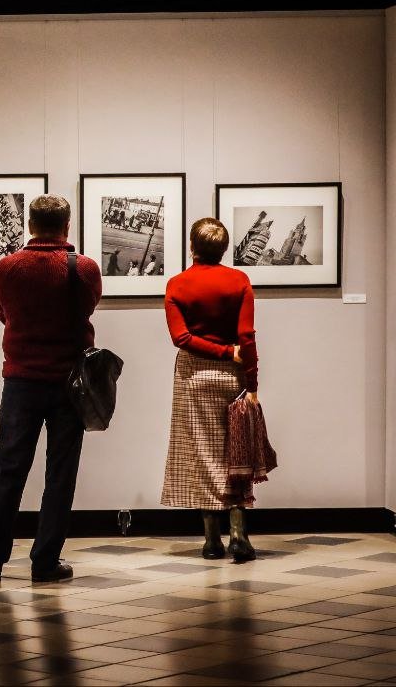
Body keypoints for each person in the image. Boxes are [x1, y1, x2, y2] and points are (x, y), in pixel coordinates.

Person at [0, 195, 101, 584]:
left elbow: (3, 314)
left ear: (29, 225)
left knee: (8, 470)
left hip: (21, 381)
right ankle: (45, 561)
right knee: (60, 474)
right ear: (67, 226)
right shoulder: (84, 268)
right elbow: (88, 308)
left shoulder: (7, 268)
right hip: (70, 383)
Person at [161, 218, 260, 562]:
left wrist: (220, 352)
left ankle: (211, 540)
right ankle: (239, 535)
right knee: (236, 453)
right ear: (224, 248)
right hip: (232, 376)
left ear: (192, 247)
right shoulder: (239, 280)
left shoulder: (177, 284)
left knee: (201, 453)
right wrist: (251, 381)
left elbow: (181, 338)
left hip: (192, 376)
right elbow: (246, 337)